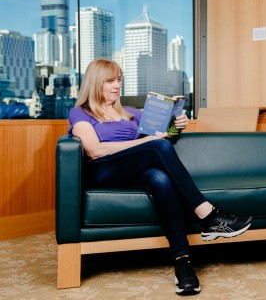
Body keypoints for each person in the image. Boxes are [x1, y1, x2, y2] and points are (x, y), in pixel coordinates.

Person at [68, 59, 252, 296]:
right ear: (95, 83)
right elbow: (94, 150)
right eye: (110, 81)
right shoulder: (80, 113)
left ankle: (183, 263)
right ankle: (208, 214)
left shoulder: (130, 114)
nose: (117, 86)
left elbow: (158, 135)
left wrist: (177, 124)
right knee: (158, 147)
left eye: (119, 80)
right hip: (103, 171)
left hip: (132, 171)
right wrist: (149, 141)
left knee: (160, 179)